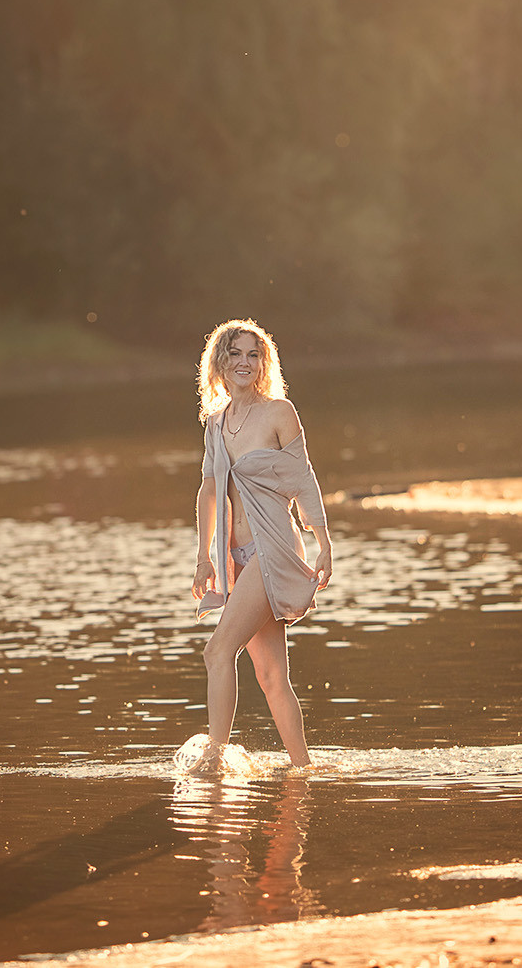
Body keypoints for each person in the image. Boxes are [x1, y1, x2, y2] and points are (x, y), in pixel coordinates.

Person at [189, 319, 333, 771]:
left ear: (263, 362)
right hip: (236, 559)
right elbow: (209, 490)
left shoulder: (279, 413)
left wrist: (323, 542)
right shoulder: (216, 424)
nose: (244, 362)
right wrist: (203, 559)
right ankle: (304, 770)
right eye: (235, 354)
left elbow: (304, 481)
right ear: (220, 362)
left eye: (254, 354)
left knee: (217, 651)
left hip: (273, 550)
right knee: (271, 677)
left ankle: (214, 763)